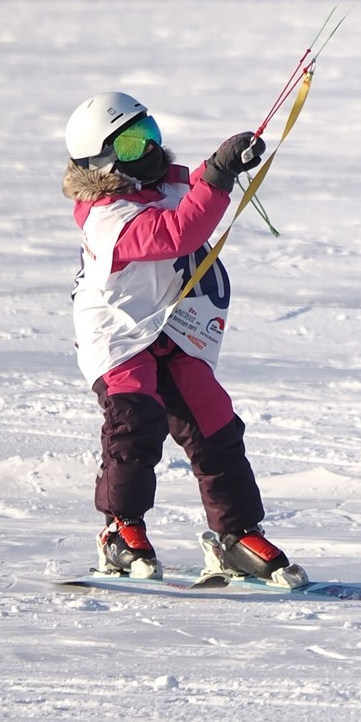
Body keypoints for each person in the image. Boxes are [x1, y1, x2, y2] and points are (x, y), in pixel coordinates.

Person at [61, 90, 304, 588]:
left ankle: (236, 535)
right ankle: (119, 530)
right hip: (120, 335)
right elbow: (178, 232)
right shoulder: (108, 216)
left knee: (214, 422)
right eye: (131, 145)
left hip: (172, 327)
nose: (149, 150)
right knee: (137, 422)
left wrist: (225, 161)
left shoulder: (159, 182)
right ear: (105, 162)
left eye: (149, 134)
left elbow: (189, 188)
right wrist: (215, 177)